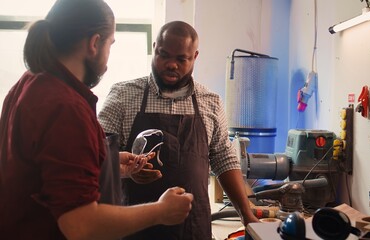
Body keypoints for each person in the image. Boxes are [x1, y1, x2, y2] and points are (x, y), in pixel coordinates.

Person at [0, 1, 193, 239]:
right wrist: (161, 211)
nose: (108, 57)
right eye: (110, 44)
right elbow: (81, 225)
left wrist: (106, 165)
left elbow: (44, 172)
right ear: (94, 43)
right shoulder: (66, 107)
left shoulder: (28, 83)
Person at [98, 20, 259, 239]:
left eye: (181, 58)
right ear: (154, 48)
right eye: (164, 55)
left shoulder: (210, 102)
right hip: (134, 228)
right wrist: (124, 172)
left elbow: (224, 159)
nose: (172, 64)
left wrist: (246, 215)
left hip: (192, 229)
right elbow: (97, 157)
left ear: (195, 57)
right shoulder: (122, 96)